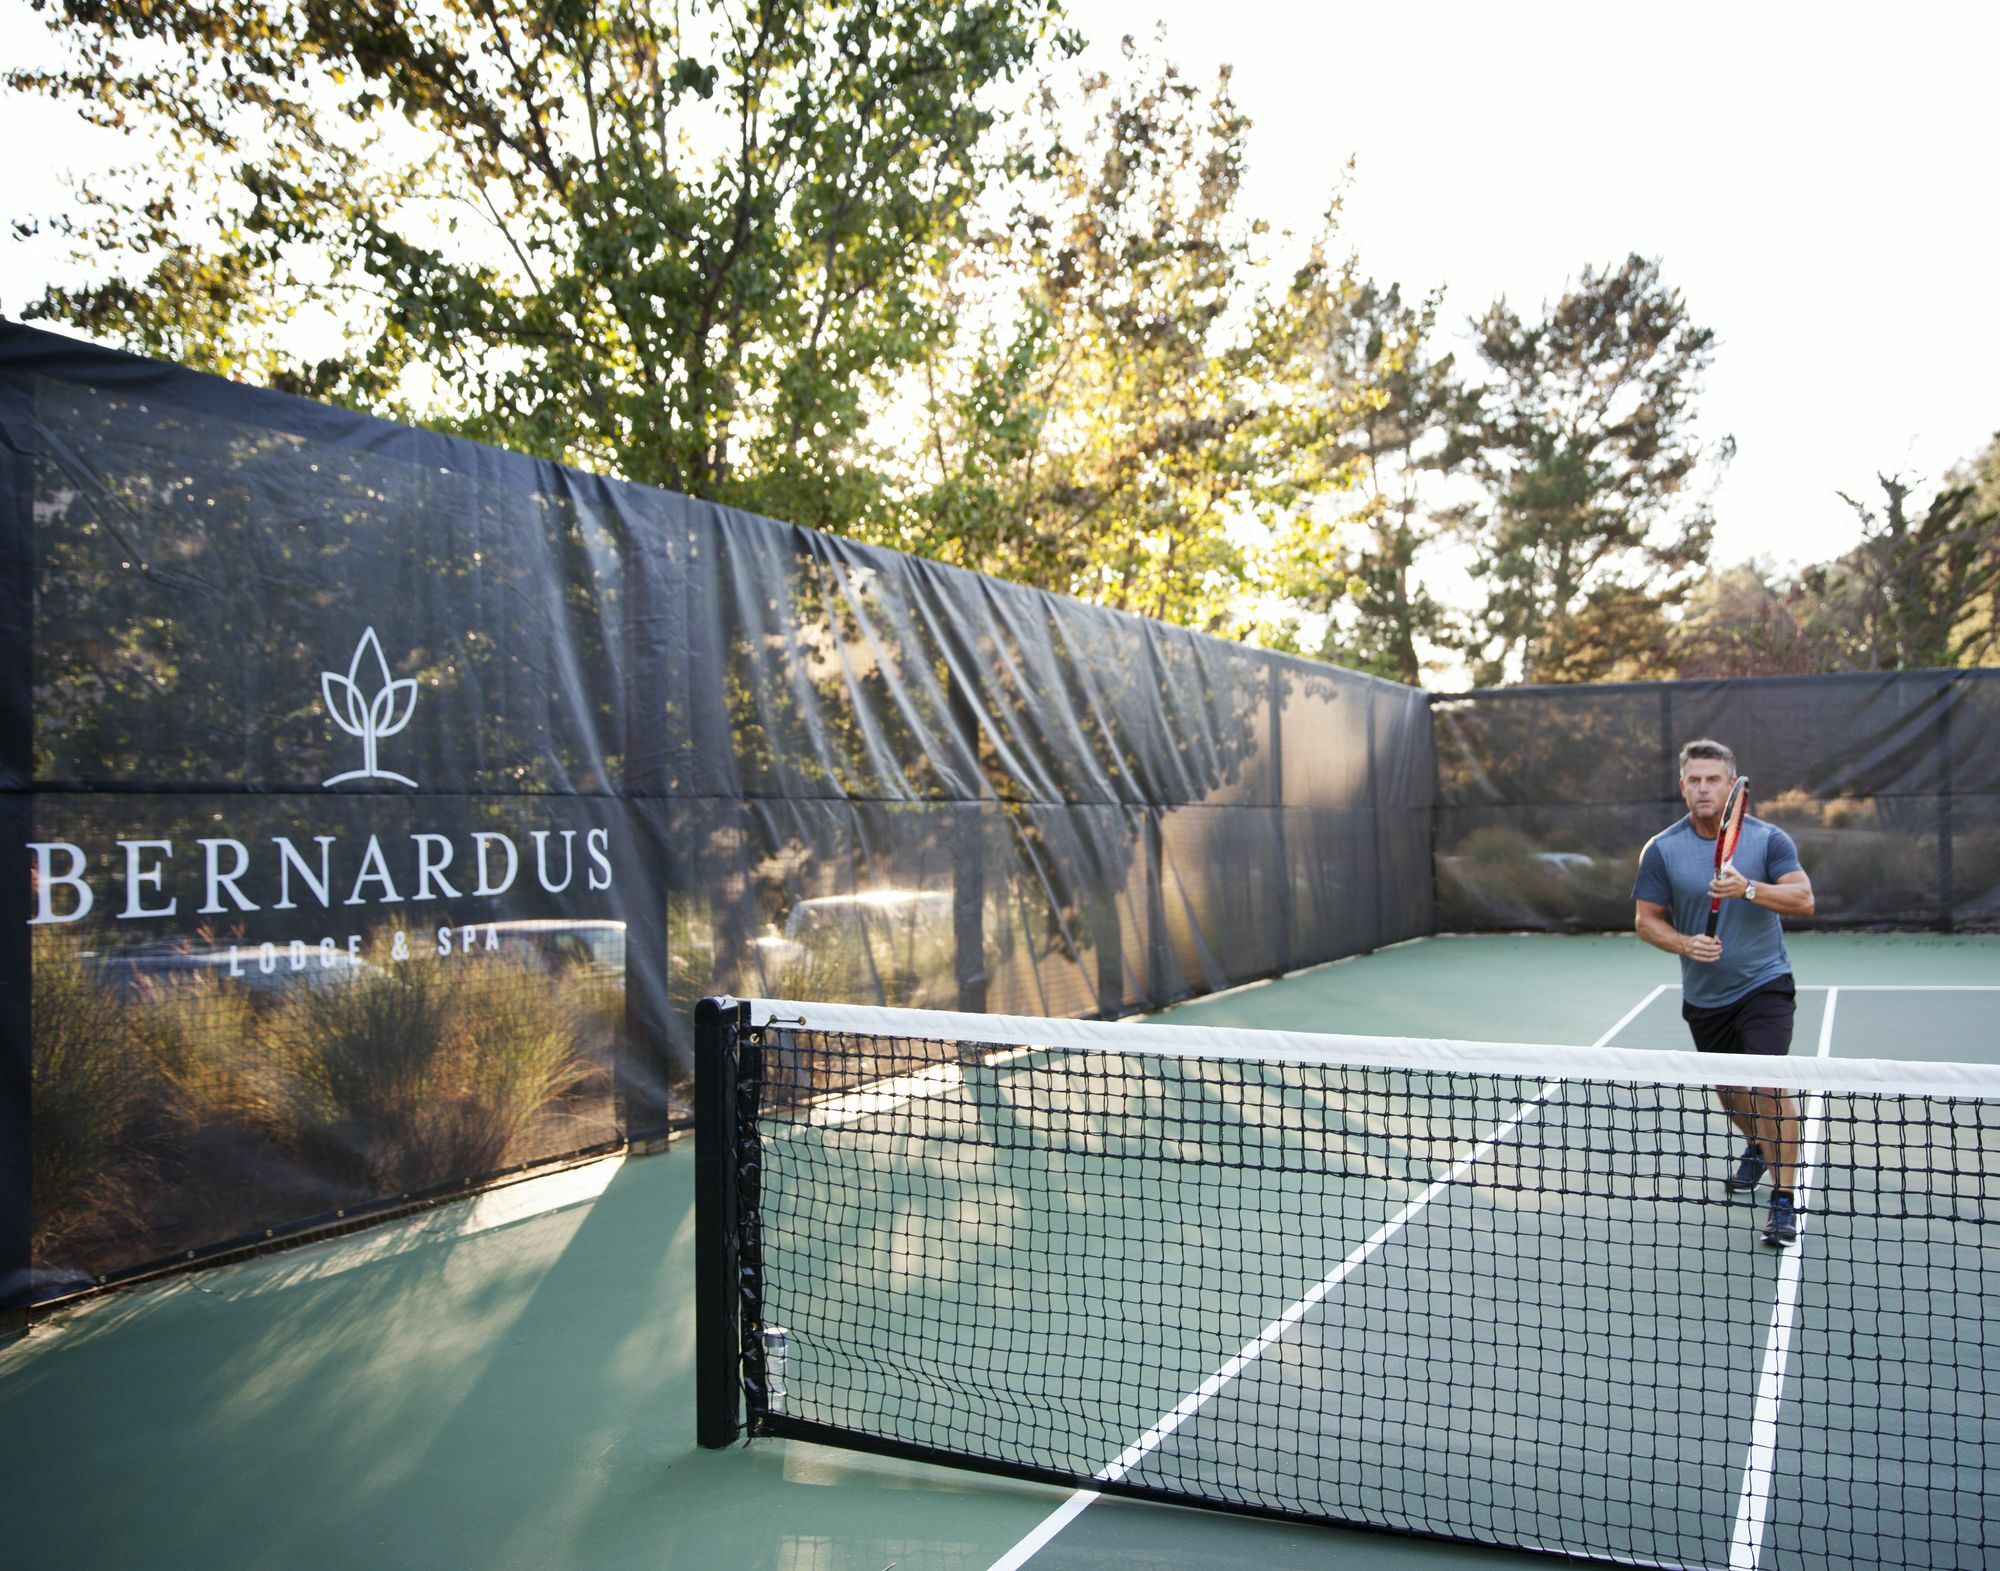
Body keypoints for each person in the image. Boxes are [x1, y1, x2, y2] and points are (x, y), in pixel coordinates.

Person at [1633, 739, 1817, 1246]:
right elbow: (1646, 921)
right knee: (1731, 1096)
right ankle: (1760, 1145)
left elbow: (1803, 900)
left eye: (1713, 778)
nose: (1703, 787)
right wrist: (1684, 943)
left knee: (1766, 1084)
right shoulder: (1663, 849)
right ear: (1682, 786)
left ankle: (1784, 1200)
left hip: (1764, 986)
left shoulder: (1768, 840)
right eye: (1694, 779)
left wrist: (1749, 889)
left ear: (1733, 785)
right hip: (1706, 999)